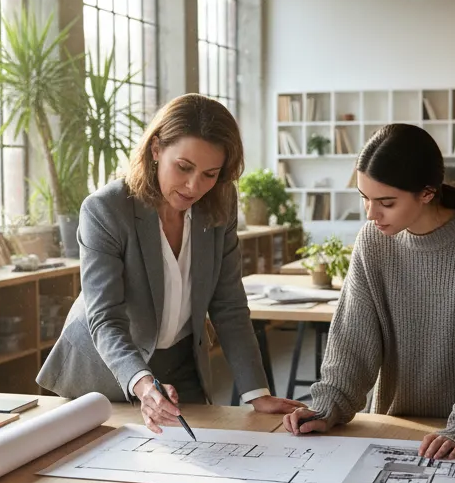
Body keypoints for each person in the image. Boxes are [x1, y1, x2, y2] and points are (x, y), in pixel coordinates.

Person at [37, 93, 302, 433]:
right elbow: (105, 319)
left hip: (180, 362)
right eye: (184, 167)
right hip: (106, 372)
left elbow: (229, 306)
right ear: (156, 149)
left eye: (210, 174)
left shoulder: (219, 204)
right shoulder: (106, 210)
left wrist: (258, 394)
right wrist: (144, 385)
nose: (195, 186)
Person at [283, 122, 455, 459]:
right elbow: (352, 340)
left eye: (386, 201)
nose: (372, 214)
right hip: (398, 428)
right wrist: (329, 405)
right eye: (365, 199)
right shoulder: (373, 242)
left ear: (427, 192)